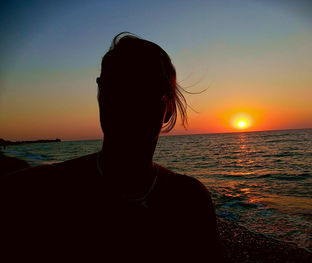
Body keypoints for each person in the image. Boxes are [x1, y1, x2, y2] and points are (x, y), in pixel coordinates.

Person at [1, 32, 223, 262]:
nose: (127, 98)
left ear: (168, 109)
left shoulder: (189, 202)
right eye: (114, 83)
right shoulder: (33, 192)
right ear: (100, 94)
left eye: (144, 86)